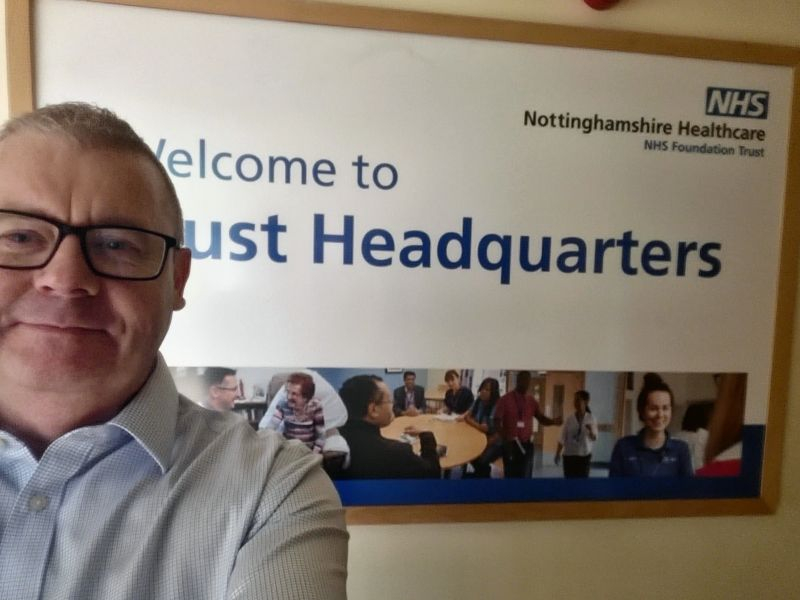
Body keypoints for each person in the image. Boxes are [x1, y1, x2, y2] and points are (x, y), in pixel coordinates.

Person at [0, 102, 347, 599]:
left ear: (177, 278)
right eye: (20, 236)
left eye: (117, 244)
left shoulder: (272, 488)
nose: (66, 279)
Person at [337, 375, 441, 479]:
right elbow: (432, 474)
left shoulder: (332, 441)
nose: (394, 405)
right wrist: (426, 435)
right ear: (373, 410)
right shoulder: (397, 453)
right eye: (390, 401)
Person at [609, 373, 693, 477]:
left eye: (665, 408)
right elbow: (614, 490)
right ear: (642, 411)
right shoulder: (623, 447)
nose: (660, 414)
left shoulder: (681, 449)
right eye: (653, 408)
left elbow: (688, 491)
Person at [494, 370, 562, 478]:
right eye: (523, 380)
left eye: (528, 380)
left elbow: (541, 418)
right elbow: (496, 422)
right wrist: (505, 440)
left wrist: (553, 421)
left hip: (527, 445)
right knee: (511, 476)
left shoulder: (531, 401)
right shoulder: (505, 399)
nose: (526, 383)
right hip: (510, 445)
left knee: (525, 475)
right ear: (517, 380)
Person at [264, 372, 326, 453]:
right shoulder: (283, 404)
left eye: (294, 394)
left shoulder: (316, 406)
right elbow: (272, 425)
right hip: (289, 448)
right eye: (288, 392)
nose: (289, 397)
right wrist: (264, 438)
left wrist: (315, 452)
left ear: (306, 397)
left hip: (307, 450)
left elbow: (321, 435)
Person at [463, 377, 503, 478]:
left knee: (480, 460)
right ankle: (482, 475)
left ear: (493, 392)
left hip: (494, 441)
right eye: (482, 388)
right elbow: (467, 417)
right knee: (467, 454)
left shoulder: (498, 405)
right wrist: (479, 426)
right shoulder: (478, 401)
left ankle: (483, 478)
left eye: (487, 390)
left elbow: (497, 432)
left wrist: (485, 442)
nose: (483, 391)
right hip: (479, 438)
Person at [554, 390, 598, 478]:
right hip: (569, 457)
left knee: (582, 485)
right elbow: (562, 438)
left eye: (578, 400)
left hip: (584, 457)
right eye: (574, 400)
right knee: (570, 485)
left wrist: (590, 430)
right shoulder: (569, 419)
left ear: (586, 402)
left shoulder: (591, 418)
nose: (575, 402)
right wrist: (557, 453)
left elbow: (594, 438)